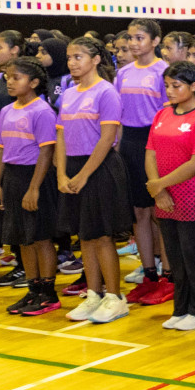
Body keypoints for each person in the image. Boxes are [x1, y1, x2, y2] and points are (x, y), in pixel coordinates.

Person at [56, 37, 131, 323]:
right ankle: (93, 294)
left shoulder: (106, 92)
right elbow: (61, 135)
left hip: (99, 169)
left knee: (101, 236)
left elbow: (108, 139)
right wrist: (62, 173)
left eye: (78, 56)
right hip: (73, 168)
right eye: (69, 57)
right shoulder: (68, 93)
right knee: (83, 236)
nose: (72, 62)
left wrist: (84, 175)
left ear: (96, 59)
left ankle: (114, 297)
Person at [145, 61, 195, 331]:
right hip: (165, 198)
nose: (170, 91)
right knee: (175, 256)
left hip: (194, 198)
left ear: (194, 86)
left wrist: (160, 184)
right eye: (167, 86)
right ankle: (182, 307)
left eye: (176, 86)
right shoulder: (162, 114)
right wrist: (159, 189)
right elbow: (150, 151)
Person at [0, 57, 61, 316]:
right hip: (12, 177)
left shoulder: (41, 111)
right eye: (8, 77)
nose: (10, 82)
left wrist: (34, 188)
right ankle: (33, 289)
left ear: (33, 83)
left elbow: (46, 152)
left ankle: (48, 292)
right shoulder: (6, 110)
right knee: (23, 239)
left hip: (35, 177)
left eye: (16, 78)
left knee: (40, 238)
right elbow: (1, 149)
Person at [115, 18, 171, 306]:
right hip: (130, 143)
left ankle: (169, 276)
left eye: (140, 38)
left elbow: (169, 113)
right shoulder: (123, 73)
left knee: (161, 210)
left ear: (155, 41)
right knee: (139, 212)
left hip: (157, 142)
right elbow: (119, 114)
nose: (134, 43)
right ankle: (149, 274)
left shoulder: (164, 71)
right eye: (131, 38)